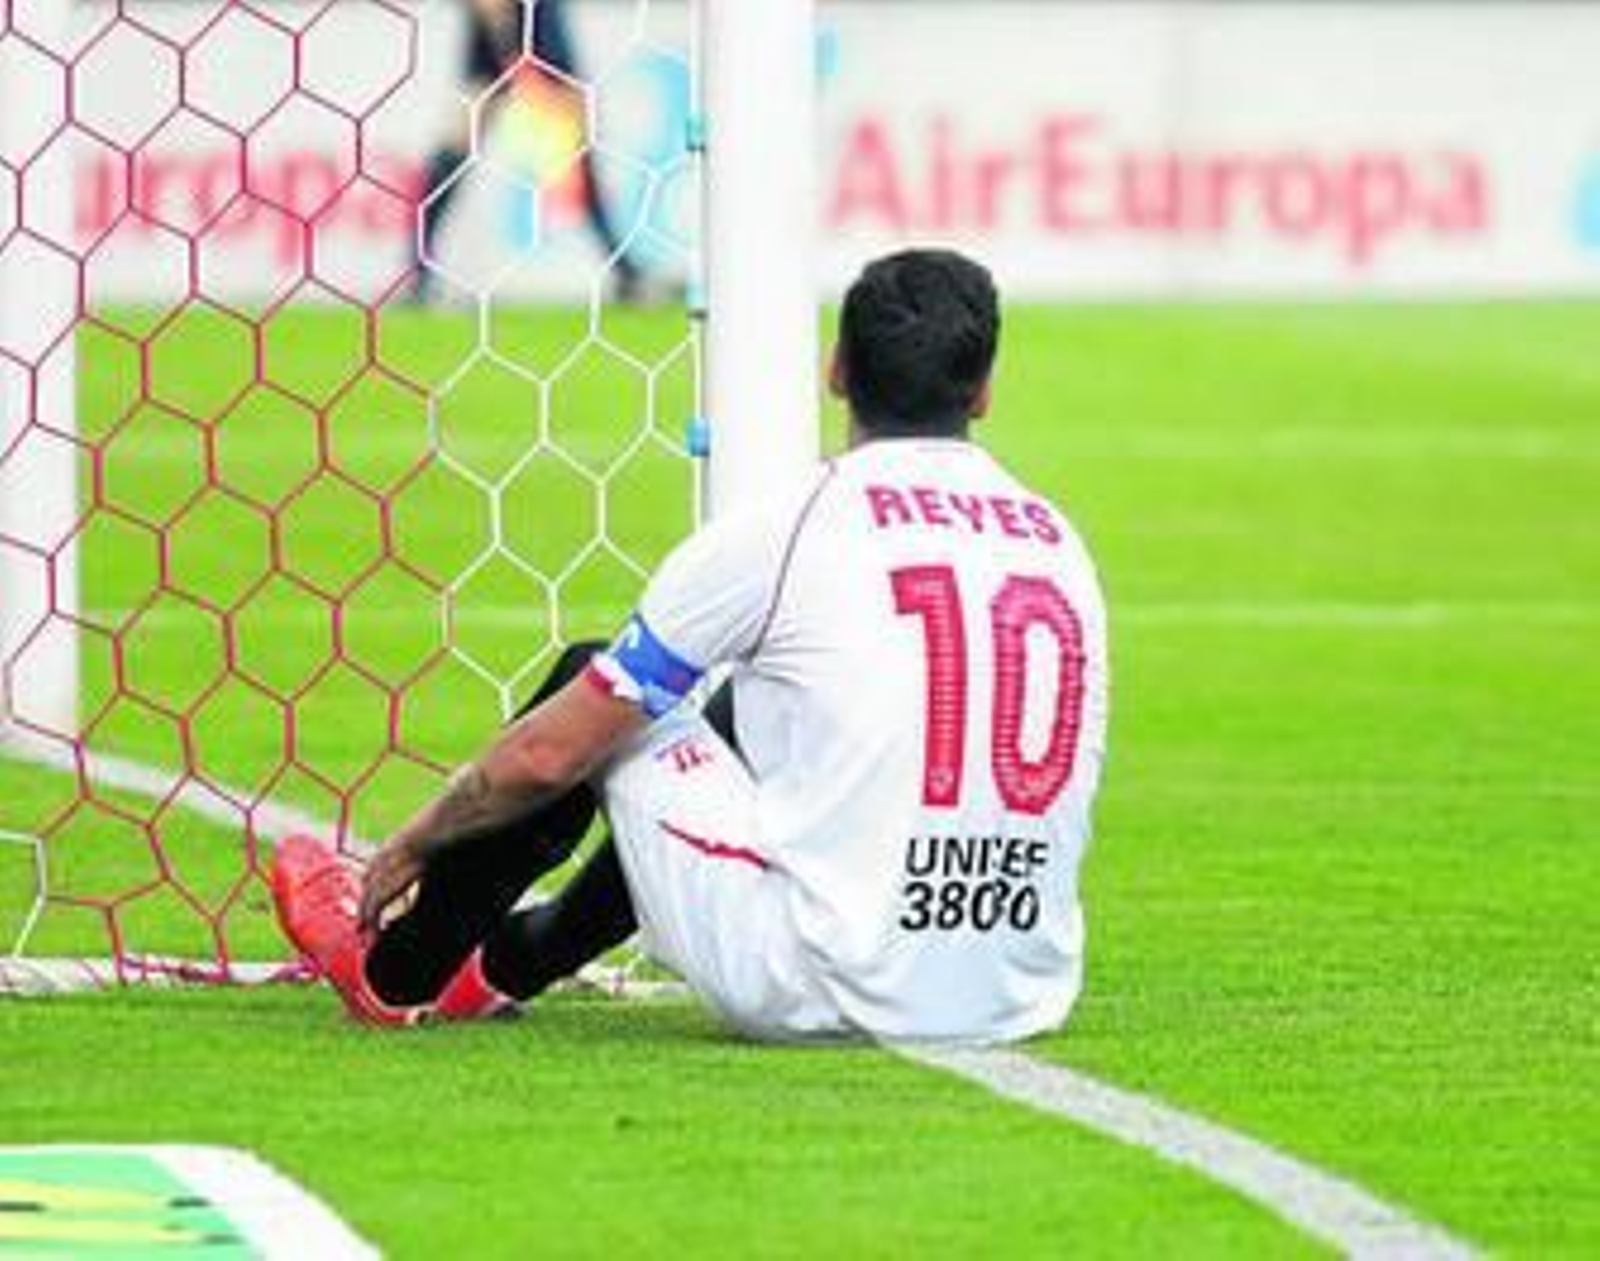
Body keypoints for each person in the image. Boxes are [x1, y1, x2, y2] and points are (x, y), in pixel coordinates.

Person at [274, 248, 1110, 1043]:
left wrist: (416, 841)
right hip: (1015, 985)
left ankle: (396, 973)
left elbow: (546, 756)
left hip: (824, 983)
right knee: (747, 705)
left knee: (597, 689)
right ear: (984, 390)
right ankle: (501, 965)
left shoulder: (793, 524)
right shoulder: (1056, 537)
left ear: (837, 371)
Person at [411, 0, 646, 302]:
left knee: (579, 177)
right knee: (445, 168)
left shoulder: (544, 14)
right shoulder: (479, 22)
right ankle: (417, 273)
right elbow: (478, 74)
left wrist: (574, 118)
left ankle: (627, 273)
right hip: (492, 76)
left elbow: (563, 77)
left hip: (545, 86)